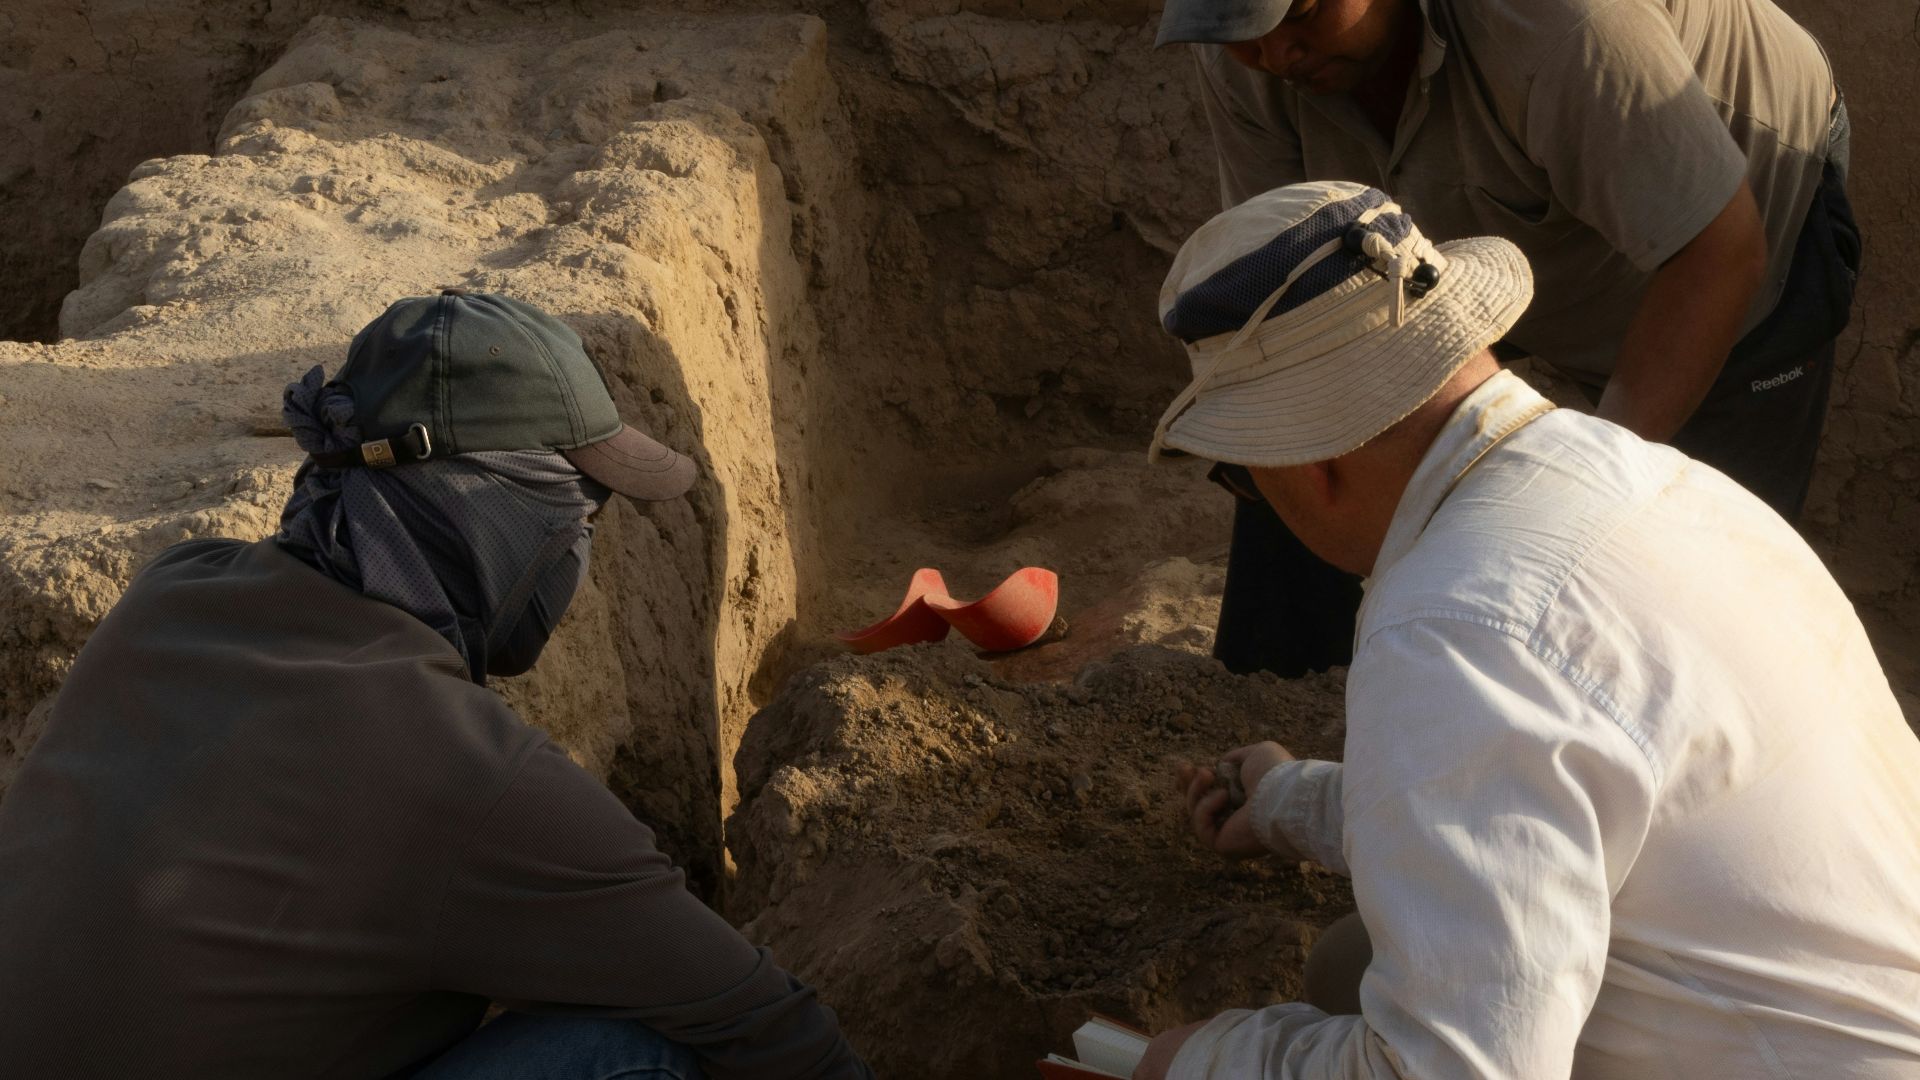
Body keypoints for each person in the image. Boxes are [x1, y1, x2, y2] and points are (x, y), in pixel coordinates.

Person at [1133, 181, 1920, 1078]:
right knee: (1348, 964)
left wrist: (1196, 1064)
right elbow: (1560, 787)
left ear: (1309, 463)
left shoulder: (1451, 627)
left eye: (1241, 475)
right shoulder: (1648, 481)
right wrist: (1300, 804)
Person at [0, 291, 873, 1080]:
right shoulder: (466, 775)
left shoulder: (174, 591)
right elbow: (769, 1026)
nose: (581, 545)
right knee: (646, 1054)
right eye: (580, 509)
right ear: (487, 505)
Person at [1156, 0, 1860, 677]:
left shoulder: (1564, 24)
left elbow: (1721, 253)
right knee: (1302, 432)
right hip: (1492, 213)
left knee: (1683, 572)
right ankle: (1283, 686)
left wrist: (1581, 498)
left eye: (1301, 13)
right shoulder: (1251, 62)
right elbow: (1289, 313)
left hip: (1731, 218)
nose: (1275, 54)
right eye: (1243, 32)